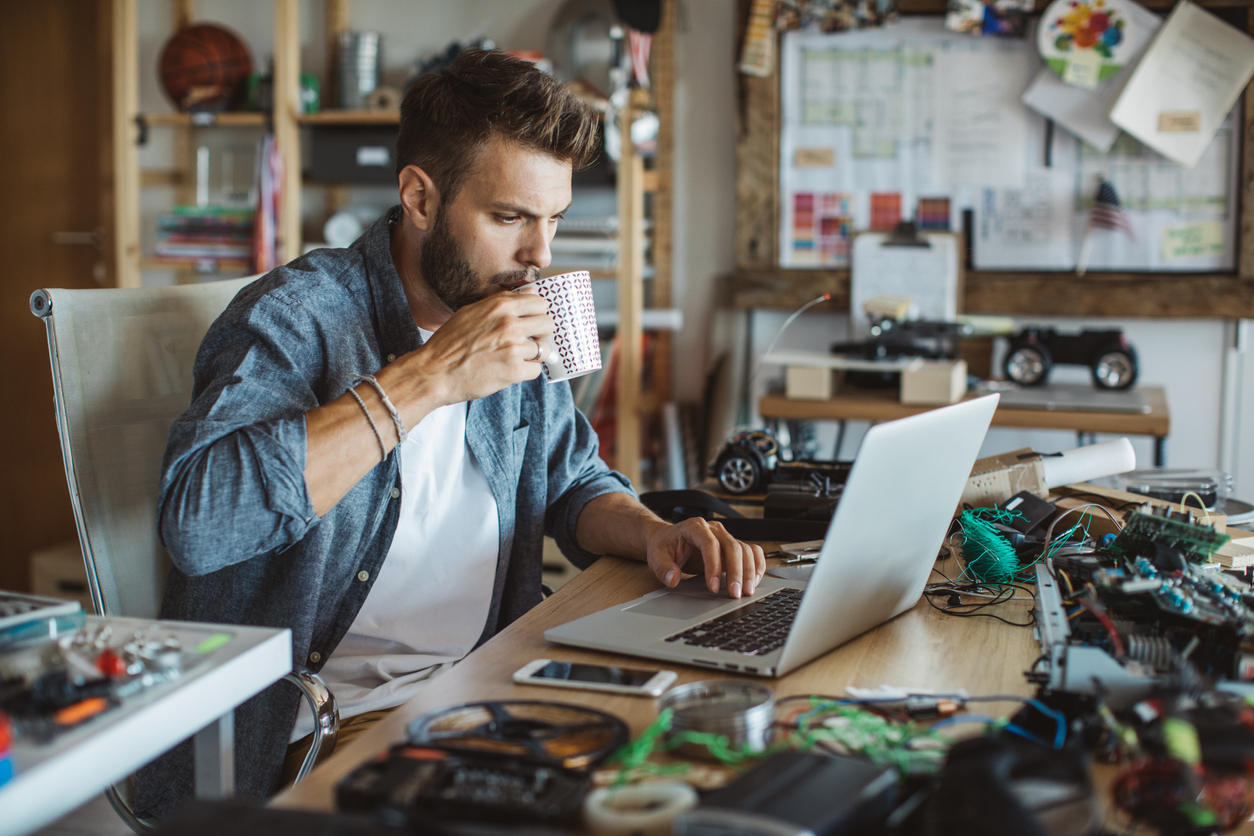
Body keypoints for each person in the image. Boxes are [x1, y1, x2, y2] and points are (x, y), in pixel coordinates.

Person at [135, 49, 764, 815]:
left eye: (554, 220)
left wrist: (649, 531)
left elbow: (570, 481)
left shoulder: (514, 303)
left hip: (493, 686)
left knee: (716, 770)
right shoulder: (297, 315)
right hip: (315, 728)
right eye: (509, 219)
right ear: (419, 197)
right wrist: (432, 376)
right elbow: (200, 525)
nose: (541, 256)